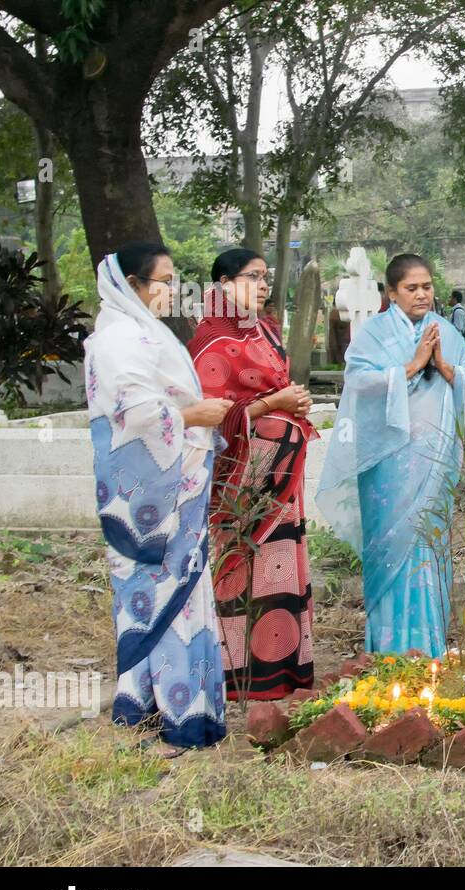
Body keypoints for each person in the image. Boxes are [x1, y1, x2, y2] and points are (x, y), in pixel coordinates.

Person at [84, 242, 230, 754]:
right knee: (163, 596)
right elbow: (134, 414)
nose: (172, 290)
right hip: (150, 499)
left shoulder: (147, 333)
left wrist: (197, 416)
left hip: (179, 488)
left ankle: (174, 707)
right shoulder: (119, 338)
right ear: (132, 284)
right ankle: (169, 712)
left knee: (184, 596)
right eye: (163, 281)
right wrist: (195, 417)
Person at [317, 254, 465, 656]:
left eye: (427, 286)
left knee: (428, 545)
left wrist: (444, 366)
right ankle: (389, 650)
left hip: (433, 461)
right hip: (387, 465)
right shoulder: (373, 334)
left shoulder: (446, 331)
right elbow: (357, 383)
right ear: (391, 293)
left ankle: (430, 647)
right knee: (392, 549)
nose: (422, 294)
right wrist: (410, 367)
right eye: (412, 288)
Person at [187, 248, 318, 701]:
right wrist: (275, 404)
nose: (264, 285)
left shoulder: (261, 330)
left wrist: (293, 402)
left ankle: (283, 670)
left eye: (266, 277)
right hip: (243, 481)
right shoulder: (211, 339)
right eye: (252, 277)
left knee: (281, 566)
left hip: (281, 475)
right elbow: (215, 416)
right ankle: (239, 673)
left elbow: (273, 391)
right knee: (245, 564)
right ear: (223, 284)